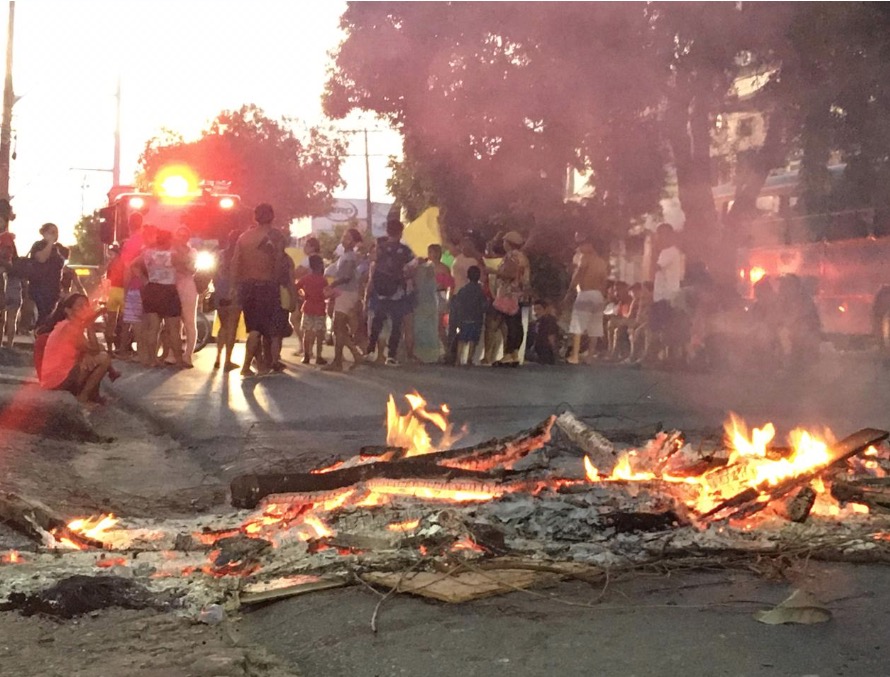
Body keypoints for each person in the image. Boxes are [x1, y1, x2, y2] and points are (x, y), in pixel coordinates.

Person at [231, 203, 280, 376]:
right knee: (263, 330)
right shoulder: (274, 236)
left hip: (247, 286)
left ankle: (259, 363)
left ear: (255, 217)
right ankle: (248, 365)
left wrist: (234, 286)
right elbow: (278, 262)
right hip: (266, 286)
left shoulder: (244, 237)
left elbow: (235, 263)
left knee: (253, 327)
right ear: (272, 216)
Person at [38, 293, 112, 404]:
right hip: (58, 380)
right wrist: (90, 324)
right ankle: (83, 397)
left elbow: (89, 349)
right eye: (80, 305)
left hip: (58, 377)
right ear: (68, 311)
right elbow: (94, 350)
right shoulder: (68, 327)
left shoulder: (71, 325)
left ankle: (92, 395)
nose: (85, 309)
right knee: (104, 358)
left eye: (86, 306)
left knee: (94, 355)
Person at [365, 220, 416, 366]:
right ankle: (391, 355)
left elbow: (373, 268)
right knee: (396, 324)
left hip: (380, 291)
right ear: (401, 233)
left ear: (387, 231)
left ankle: (370, 350)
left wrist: (368, 293)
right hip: (397, 292)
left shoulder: (379, 248)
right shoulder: (405, 250)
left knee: (377, 322)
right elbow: (410, 270)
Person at [131, 228, 183, 368]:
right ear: (169, 240)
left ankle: (152, 359)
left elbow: (133, 265)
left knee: (153, 328)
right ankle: (179, 360)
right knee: (173, 328)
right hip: (169, 290)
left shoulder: (147, 253)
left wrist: (144, 279)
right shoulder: (173, 254)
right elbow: (186, 264)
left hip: (152, 289)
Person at [323, 228, 364, 371]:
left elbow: (346, 276)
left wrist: (332, 285)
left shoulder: (350, 256)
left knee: (338, 327)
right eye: (344, 236)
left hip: (346, 293)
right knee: (339, 328)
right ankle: (349, 356)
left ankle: (341, 360)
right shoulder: (346, 255)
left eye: (347, 237)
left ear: (353, 241)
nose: (344, 239)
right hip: (344, 293)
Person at [565, 236, 608, 365]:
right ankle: (590, 356)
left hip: (585, 293)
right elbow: (604, 281)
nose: (580, 248)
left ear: (590, 245)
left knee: (578, 325)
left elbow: (579, 274)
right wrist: (603, 296)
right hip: (598, 295)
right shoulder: (602, 262)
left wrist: (569, 291)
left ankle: (575, 356)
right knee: (595, 327)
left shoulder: (585, 258)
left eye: (582, 245)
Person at [492, 231, 530, 367]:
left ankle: (508, 353)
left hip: (510, 294)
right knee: (517, 324)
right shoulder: (522, 256)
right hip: (520, 293)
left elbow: (510, 274)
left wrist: (493, 271)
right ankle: (514, 353)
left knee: (510, 324)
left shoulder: (511, 256)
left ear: (509, 243)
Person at [28, 223, 69, 327]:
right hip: (39, 288)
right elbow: (41, 259)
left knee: (51, 318)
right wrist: (49, 243)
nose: (55, 235)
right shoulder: (38, 245)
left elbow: (61, 267)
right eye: (52, 232)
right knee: (43, 317)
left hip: (54, 289)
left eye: (56, 232)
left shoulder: (58, 248)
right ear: (44, 233)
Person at [212, 230, 242, 371]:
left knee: (223, 326)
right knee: (232, 327)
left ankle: (218, 357)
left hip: (220, 292)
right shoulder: (240, 257)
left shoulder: (220, 255)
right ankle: (228, 360)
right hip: (235, 292)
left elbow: (213, 273)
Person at [447, 265, 488, 366]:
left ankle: (458, 359)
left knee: (462, 338)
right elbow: (484, 304)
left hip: (464, 318)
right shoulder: (480, 291)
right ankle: (469, 359)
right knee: (473, 339)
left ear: (467, 276)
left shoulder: (463, 290)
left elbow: (458, 303)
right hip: (476, 318)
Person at [172, 227, 199, 368]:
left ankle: (188, 354)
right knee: (173, 322)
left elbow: (192, 269)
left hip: (187, 286)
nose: (182, 237)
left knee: (189, 322)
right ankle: (172, 353)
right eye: (179, 234)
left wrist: (180, 262)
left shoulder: (192, 252)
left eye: (184, 235)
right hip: (172, 286)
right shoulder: (171, 250)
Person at [295, 254, 328, 365]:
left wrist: (303, 295)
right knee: (319, 333)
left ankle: (306, 356)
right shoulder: (323, 280)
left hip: (308, 306)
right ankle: (318, 356)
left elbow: (296, 287)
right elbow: (325, 293)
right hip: (320, 308)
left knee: (307, 333)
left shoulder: (306, 278)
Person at [291, 236, 321, 358]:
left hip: (303, 293)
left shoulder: (308, 259)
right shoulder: (319, 260)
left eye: (307, 245)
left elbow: (296, 273)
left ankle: (305, 347)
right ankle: (307, 347)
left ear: (313, 247)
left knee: (295, 319)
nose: (304, 248)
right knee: (309, 322)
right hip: (314, 293)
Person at [0, 232, 23, 348]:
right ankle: (9, 345)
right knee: (11, 319)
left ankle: (3, 345)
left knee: (2, 319)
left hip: (6, 288)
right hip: (14, 288)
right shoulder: (17, 261)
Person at [102, 244, 125, 354]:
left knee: (111, 322)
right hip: (122, 291)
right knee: (124, 322)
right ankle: (122, 348)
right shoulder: (124, 262)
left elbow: (106, 277)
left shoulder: (110, 264)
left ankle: (110, 348)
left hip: (112, 291)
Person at [527, 299, 561, 365]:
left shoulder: (550, 321)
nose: (536, 312)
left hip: (545, 351)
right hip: (536, 350)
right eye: (535, 309)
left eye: (539, 309)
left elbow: (551, 338)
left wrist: (555, 353)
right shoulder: (535, 322)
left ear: (545, 309)